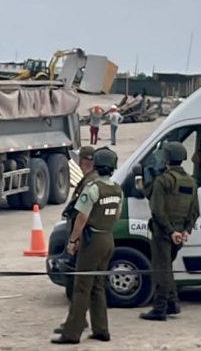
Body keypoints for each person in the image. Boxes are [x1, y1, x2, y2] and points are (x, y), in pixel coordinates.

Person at [52, 148, 123, 345]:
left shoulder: (92, 188)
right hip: (108, 237)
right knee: (98, 286)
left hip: (92, 240)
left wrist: (73, 241)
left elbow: (82, 217)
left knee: (82, 286)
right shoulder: (117, 189)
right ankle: (101, 329)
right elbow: (116, 215)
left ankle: (72, 333)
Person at [141, 142, 200, 321]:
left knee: (161, 270)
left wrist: (169, 230)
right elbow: (195, 211)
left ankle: (160, 308)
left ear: (166, 159)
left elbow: (157, 210)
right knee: (167, 268)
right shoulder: (191, 181)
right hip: (180, 232)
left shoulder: (163, 180)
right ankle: (173, 304)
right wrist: (185, 230)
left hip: (163, 232)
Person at [60, 146, 98, 303]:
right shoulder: (92, 180)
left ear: (82, 162)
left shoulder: (89, 183)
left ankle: (76, 321)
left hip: (84, 236)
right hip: (89, 236)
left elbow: (82, 214)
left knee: (78, 283)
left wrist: (73, 240)